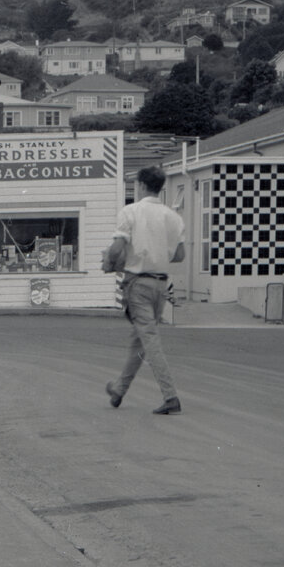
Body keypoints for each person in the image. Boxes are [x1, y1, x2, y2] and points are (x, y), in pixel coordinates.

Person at [103, 165, 186, 414]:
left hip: (137, 282)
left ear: (140, 185)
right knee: (139, 341)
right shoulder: (173, 217)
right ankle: (119, 389)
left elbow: (118, 247)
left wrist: (109, 262)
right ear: (160, 187)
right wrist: (156, 255)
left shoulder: (130, 211)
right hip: (161, 284)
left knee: (149, 340)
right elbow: (180, 255)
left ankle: (170, 396)